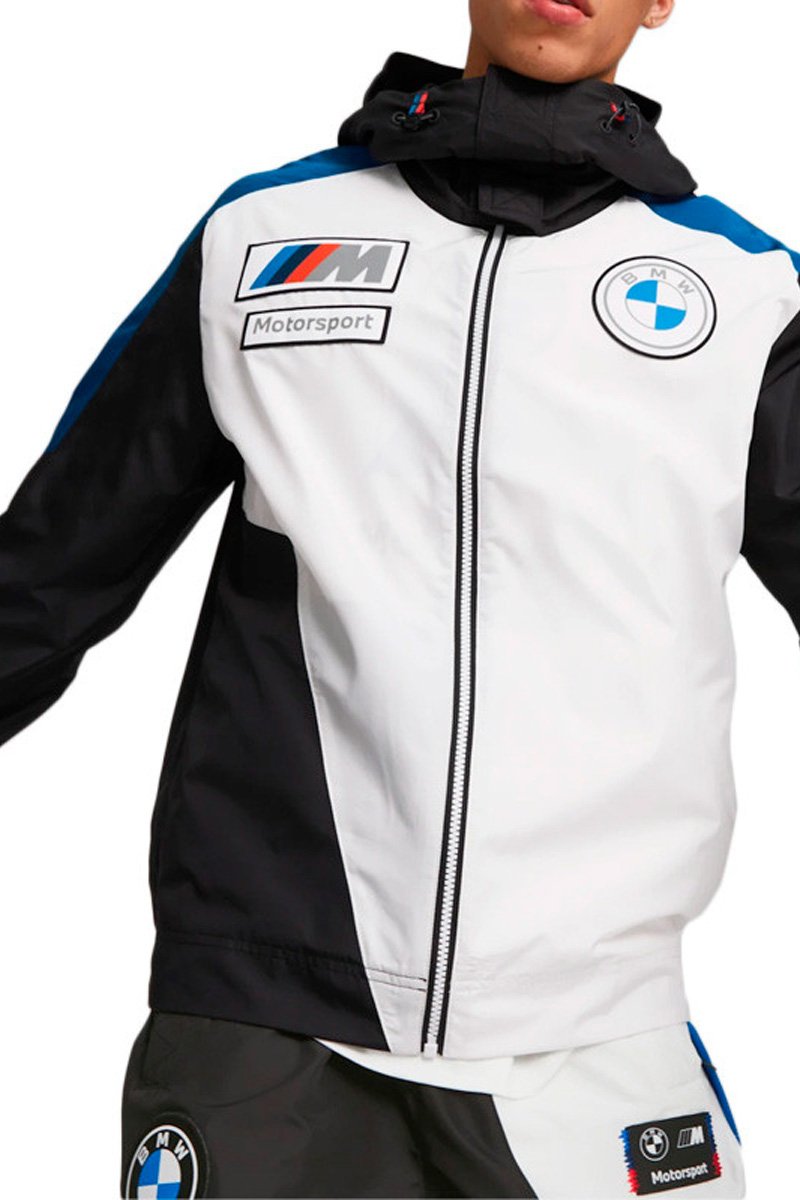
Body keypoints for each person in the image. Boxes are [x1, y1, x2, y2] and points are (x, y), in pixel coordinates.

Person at [2, 0, 797, 1194]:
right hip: (265, 1029)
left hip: (592, 1029)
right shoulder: (264, 236)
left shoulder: (744, 291)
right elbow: (46, 572)